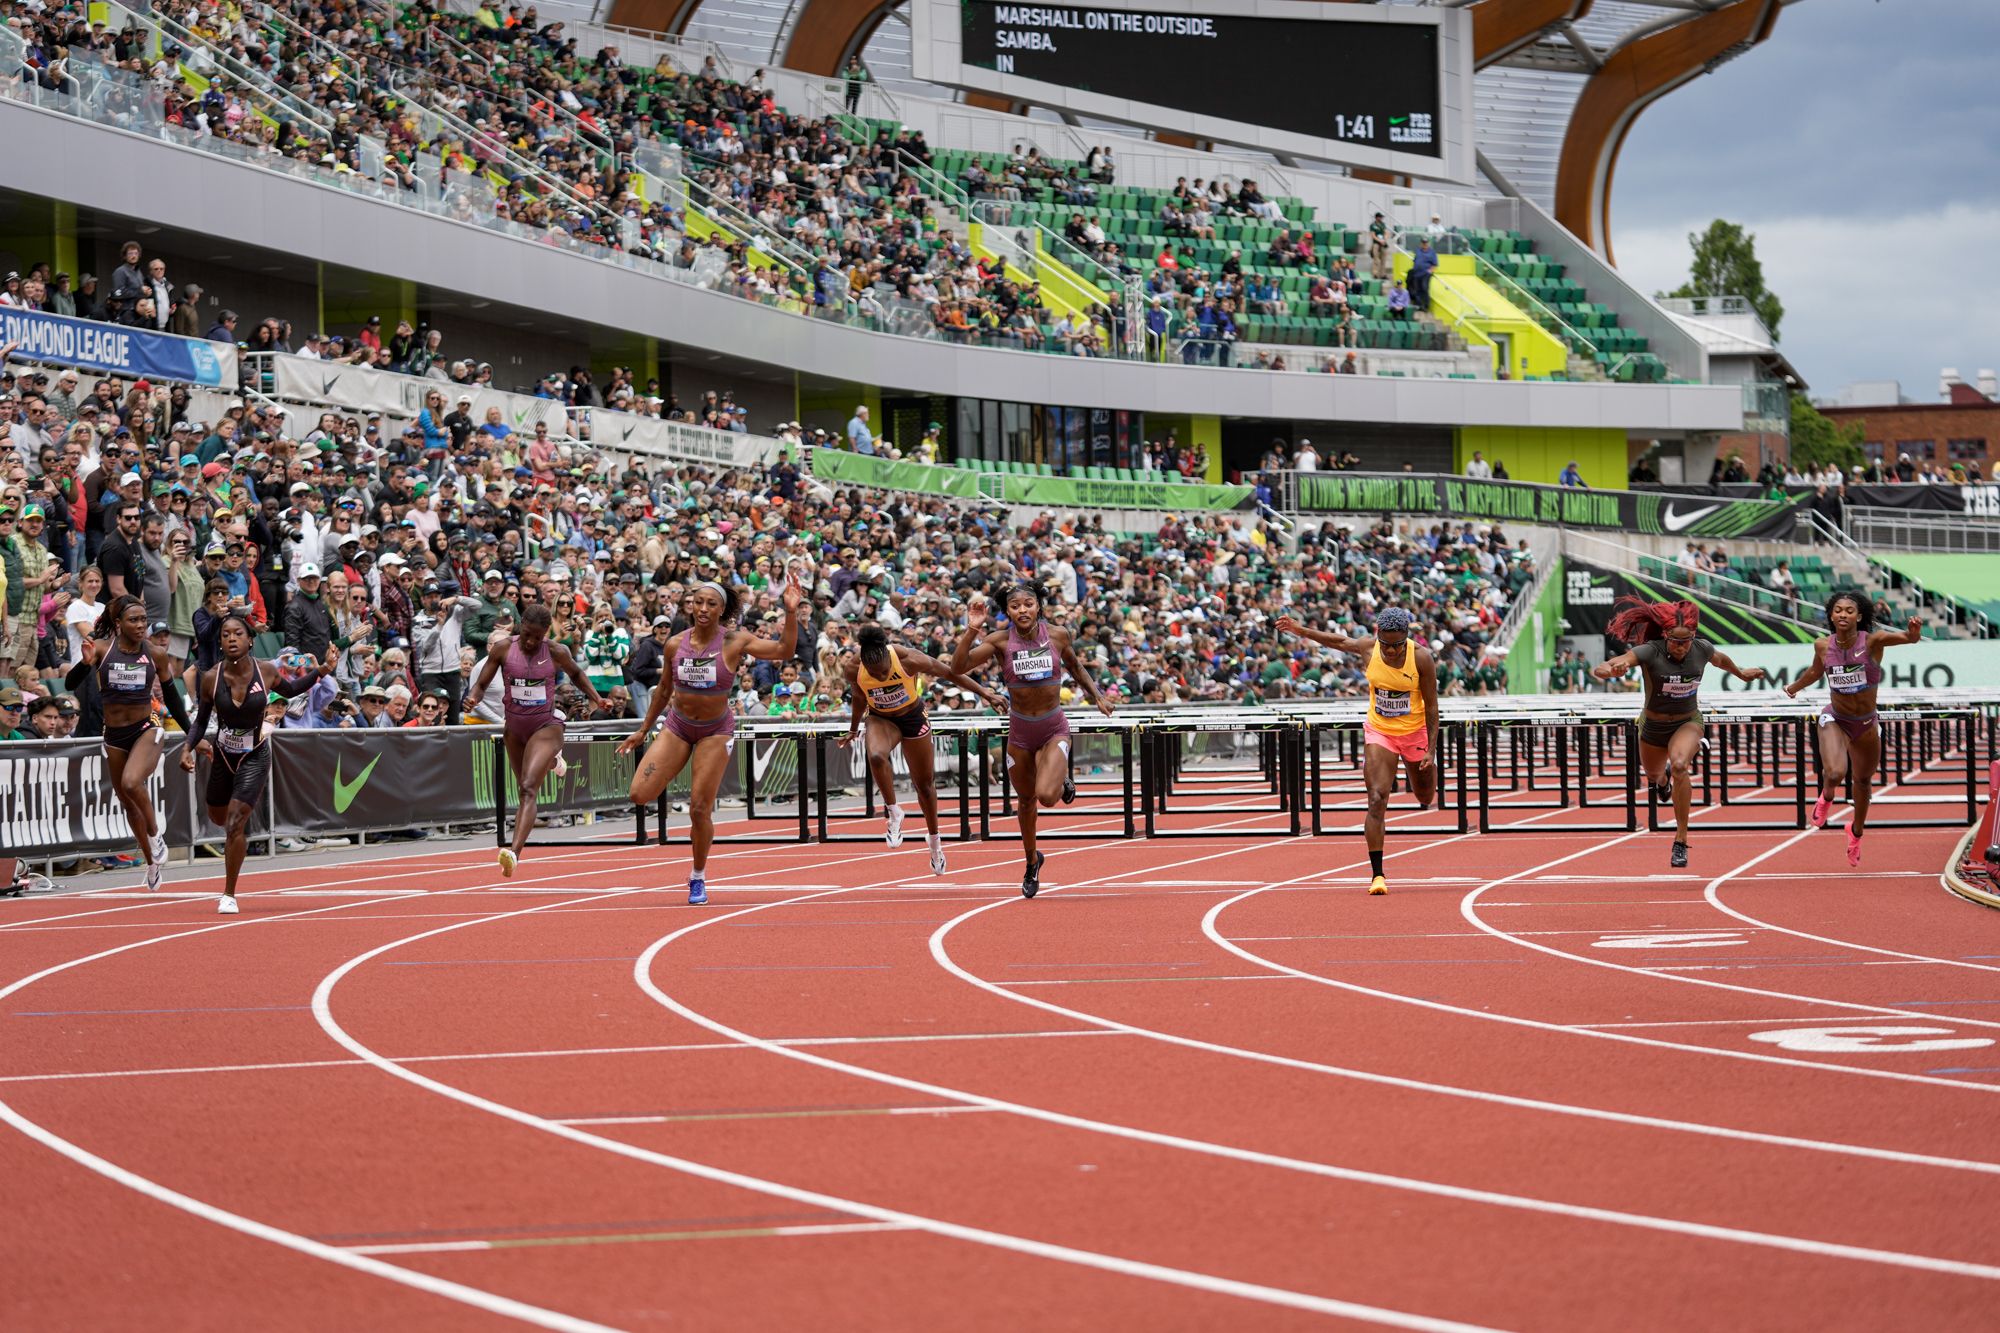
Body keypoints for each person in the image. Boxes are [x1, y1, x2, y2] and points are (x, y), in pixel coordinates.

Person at [621, 574, 803, 904]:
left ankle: (697, 876)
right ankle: (674, 769)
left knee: (699, 809)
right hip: (678, 726)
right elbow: (663, 690)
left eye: (710, 604)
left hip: (715, 731)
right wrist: (644, 729)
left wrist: (790, 611)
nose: (702, 609)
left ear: (721, 610)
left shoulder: (734, 641)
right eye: (698, 603)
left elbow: (784, 649)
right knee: (638, 793)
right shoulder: (675, 643)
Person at [949, 583, 1115, 899]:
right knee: (1026, 802)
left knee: (1047, 796)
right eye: (1015, 606)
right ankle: (1031, 860)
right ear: (1007, 612)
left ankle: (1060, 774)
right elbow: (957, 668)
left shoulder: (1058, 635)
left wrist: (1097, 697)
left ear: (1038, 606)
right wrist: (972, 630)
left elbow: (1076, 667)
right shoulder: (998, 641)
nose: (1022, 610)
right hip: (1020, 732)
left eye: (1028, 604)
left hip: (1053, 726)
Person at [1590, 597, 1765, 867]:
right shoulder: (1651, 651)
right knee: (1654, 775)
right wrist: (1609, 670)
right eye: (1676, 641)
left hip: (1688, 721)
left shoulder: (1701, 648)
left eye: (1688, 640)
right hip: (1652, 725)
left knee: (1681, 764)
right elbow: (1610, 664)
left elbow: (1721, 660)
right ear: (1665, 635)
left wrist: (1741, 673)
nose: (1682, 647)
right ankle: (1663, 782)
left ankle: (1680, 840)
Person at [1276, 607, 1438, 895]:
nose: (1390, 651)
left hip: (1414, 732)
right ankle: (1378, 875)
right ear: (1378, 638)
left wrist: (1431, 751)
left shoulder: (1421, 658)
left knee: (1425, 795)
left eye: (1397, 645)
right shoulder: (1369, 648)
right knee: (1376, 798)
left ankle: (1421, 774)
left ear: (1407, 640)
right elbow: (1338, 641)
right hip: (1381, 731)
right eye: (1385, 644)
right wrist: (1300, 630)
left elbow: (1433, 706)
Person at [180, 614, 335, 912]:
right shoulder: (211, 678)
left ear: (250, 639)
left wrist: (324, 669)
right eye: (225, 635)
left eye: (238, 633)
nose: (231, 639)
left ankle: (228, 894)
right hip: (223, 755)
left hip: (255, 754)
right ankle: (238, 836)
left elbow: (292, 690)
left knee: (235, 823)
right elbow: (200, 722)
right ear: (220, 642)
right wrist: (187, 748)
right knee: (218, 816)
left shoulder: (266, 672)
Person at [838, 621, 1002, 874]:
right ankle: (894, 812)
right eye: (875, 674)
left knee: (924, 786)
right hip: (882, 718)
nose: (881, 677)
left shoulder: (908, 659)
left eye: (883, 672)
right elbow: (859, 698)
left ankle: (935, 842)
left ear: (887, 657)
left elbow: (950, 673)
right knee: (877, 755)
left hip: (912, 717)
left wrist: (986, 694)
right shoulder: (853, 668)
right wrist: (853, 728)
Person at [1783, 591, 1922, 865]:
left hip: (1867, 723)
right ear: (1831, 615)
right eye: (1838, 610)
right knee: (1835, 772)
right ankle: (1826, 795)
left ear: (1859, 616)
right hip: (1836, 718)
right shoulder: (1822, 645)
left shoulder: (1874, 641)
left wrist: (1914, 631)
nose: (1843, 614)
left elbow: (1909, 639)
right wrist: (1793, 688)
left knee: (1863, 781)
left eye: (1849, 610)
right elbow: (1815, 672)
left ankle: (1855, 833)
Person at [65, 596, 193, 891]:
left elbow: (172, 698)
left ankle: (155, 834)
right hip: (114, 735)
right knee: (127, 802)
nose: (140, 626)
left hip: (147, 728)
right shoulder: (100, 648)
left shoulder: (156, 654)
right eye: (133, 620)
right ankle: (152, 863)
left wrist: (192, 733)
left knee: (133, 783)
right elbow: (71, 683)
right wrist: (85, 666)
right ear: (118, 623)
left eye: (143, 621)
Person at [472, 603, 607, 878]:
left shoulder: (556, 651)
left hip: (545, 726)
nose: (531, 641)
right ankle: (553, 760)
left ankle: (513, 853)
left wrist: (596, 697)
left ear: (547, 632)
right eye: (527, 635)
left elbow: (578, 674)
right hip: (515, 729)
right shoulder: (502, 649)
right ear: (520, 627)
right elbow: (481, 683)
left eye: (537, 636)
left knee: (528, 787)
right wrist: (473, 696)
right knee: (524, 786)